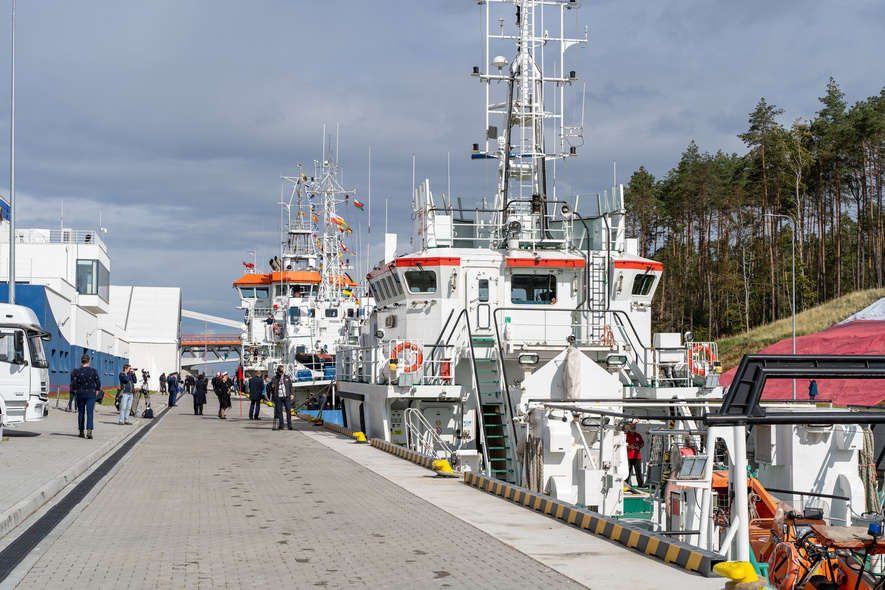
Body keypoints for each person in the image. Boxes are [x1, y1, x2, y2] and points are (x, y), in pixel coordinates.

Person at [70, 354, 101, 439]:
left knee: (81, 412)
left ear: (81, 362)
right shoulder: (93, 371)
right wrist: (97, 390)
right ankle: (89, 430)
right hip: (91, 393)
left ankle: (81, 431)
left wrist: (76, 390)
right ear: (89, 361)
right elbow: (98, 381)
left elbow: (73, 383)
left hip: (80, 393)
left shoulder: (77, 371)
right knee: (90, 412)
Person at [271, 366, 294, 431]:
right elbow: (270, 387)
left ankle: (289, 424)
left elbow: (290, 386)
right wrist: (272, 386)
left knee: (288, 410)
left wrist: (292, 394)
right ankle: (281, 425)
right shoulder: (275, 378)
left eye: (283, 370)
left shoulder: (287, 377)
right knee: (279, 411)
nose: (282, 372)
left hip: (286, 396)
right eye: (281, 370)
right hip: (278, 396)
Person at [626, 423, 645, 487]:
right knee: (627, 472)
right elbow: (622, 445)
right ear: (629, 428)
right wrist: (629, 447)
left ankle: (640, 484)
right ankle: (625, 484)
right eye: (632, 428)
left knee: (638, 472)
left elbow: (642, 443)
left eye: (634, 428)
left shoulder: (638, 435)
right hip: (628, 457)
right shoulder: (625, 435)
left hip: (637, 457)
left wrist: (639, 447)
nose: (633, 429)